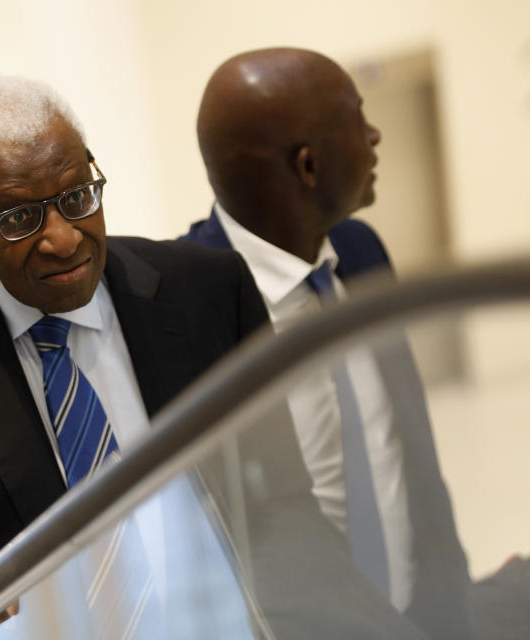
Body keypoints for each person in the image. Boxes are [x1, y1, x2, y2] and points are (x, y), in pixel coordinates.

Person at [0, 75, 429, 640]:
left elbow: (282, 508)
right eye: (18, 217)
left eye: (78, 196)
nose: (62, 237)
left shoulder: (206, 292)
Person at [181, 47, 473, 639]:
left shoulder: (362, 251)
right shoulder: (184, 302)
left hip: (424, 610)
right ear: (309, 166)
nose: (375, 134)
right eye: (357, 120)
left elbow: (407, 448)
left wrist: (454, 597)